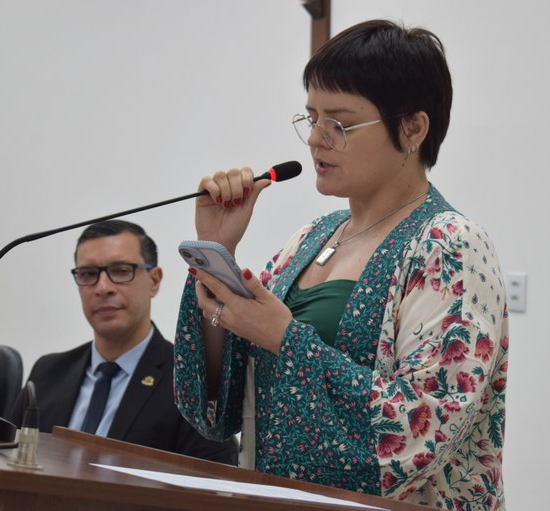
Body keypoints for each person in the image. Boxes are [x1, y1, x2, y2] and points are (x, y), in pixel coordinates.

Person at [174, 19, 508, 510]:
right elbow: (217, 412)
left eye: (340, 124)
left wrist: (285, 338)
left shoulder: (449, 245)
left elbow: (424, 429)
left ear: (413, 128)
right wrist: (216, 254)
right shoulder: (310, 238)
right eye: (312, 118)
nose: (315, 139)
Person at [9, 220, 238, 464]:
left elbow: (215, 481)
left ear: (154, 281)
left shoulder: (189, 384)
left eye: (120, 271)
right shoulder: (47, 373)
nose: (102, 288)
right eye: (88, 274)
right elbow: (2, 457)